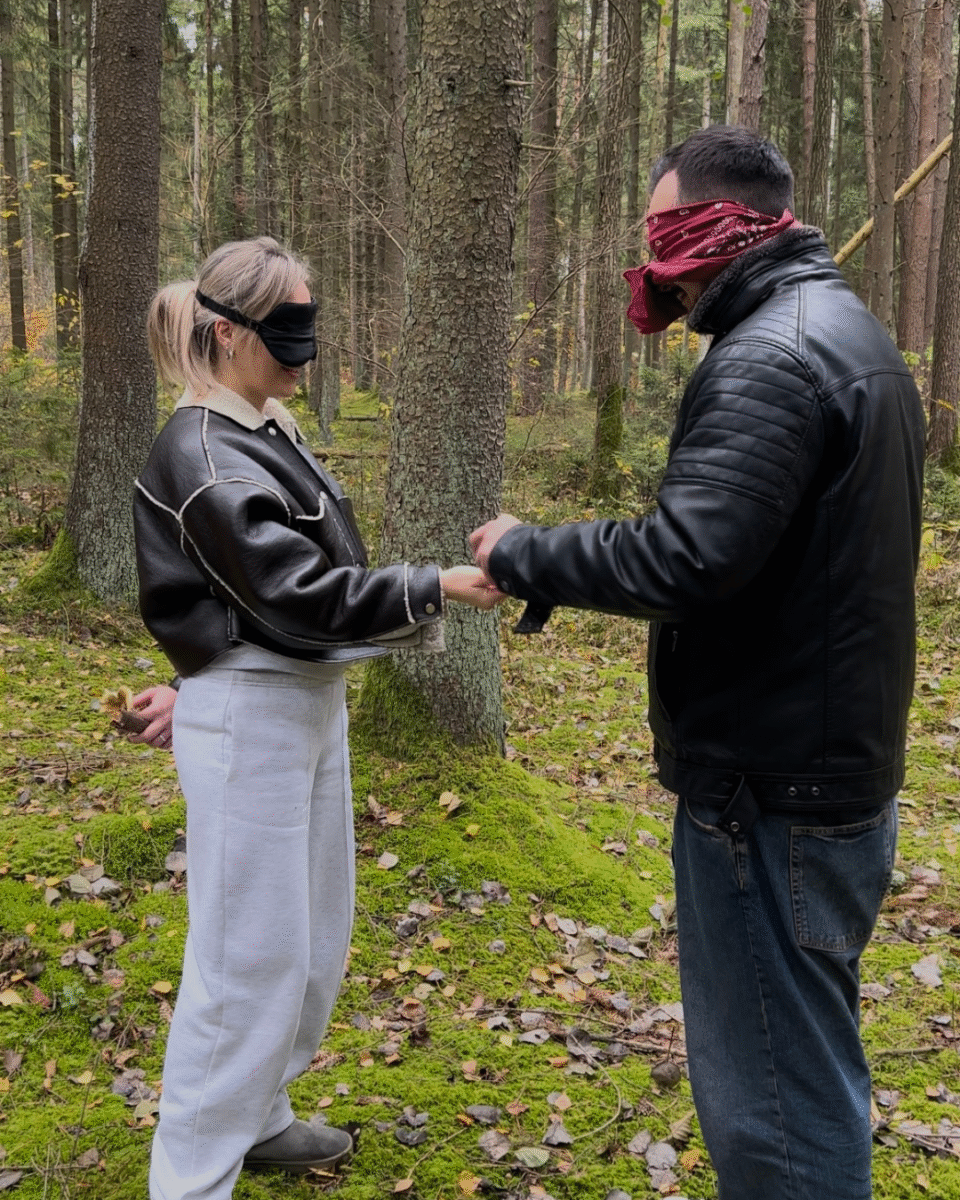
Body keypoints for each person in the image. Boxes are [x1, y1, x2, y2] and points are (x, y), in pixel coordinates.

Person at [471, 126, 925, 1200]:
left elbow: (688, 558)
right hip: (823, 768)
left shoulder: (773, 357)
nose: (656, 262)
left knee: (777, 1101)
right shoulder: (845, 331)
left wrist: (524, 551)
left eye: (666, 231)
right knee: (805, 1057)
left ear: (723, 227)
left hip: (771, 790)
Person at [134, 235, 503, 1200]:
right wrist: (433, 586)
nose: (306, 351)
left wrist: (189, 681)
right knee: (245, 961)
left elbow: (236, 592)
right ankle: (189, 1181)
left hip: (296, 700)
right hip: (256, 713)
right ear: (228, 333)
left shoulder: (260, 425)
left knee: (311, 941)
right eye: (287, 330)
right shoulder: (206, 454)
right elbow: (291, 593)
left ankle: (259, 1116)